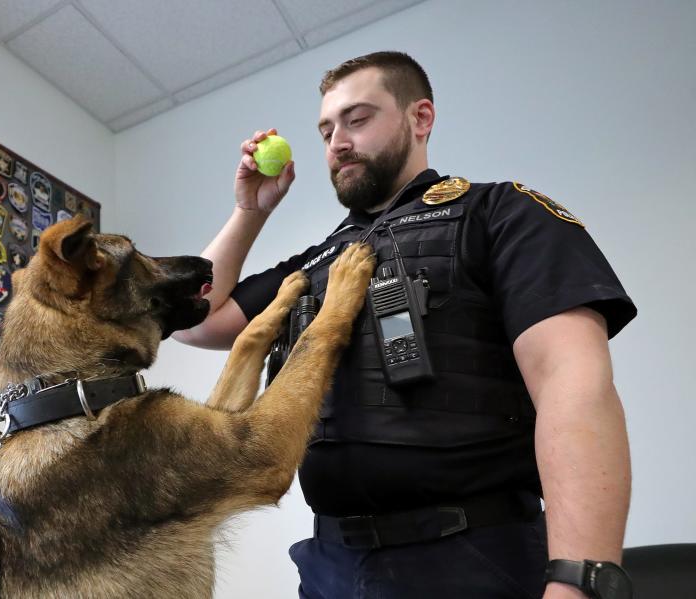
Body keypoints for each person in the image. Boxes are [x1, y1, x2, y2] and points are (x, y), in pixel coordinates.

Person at [173, 52, 637, 598]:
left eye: (357, 118)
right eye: (326, 130)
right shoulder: (317, 262)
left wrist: (580, 579)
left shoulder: (501, 213)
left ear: (421, 119)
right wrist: (251, 211)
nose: (337, 142)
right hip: (330, 566)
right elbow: (193, 321)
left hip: (473, 558)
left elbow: (573, 384)